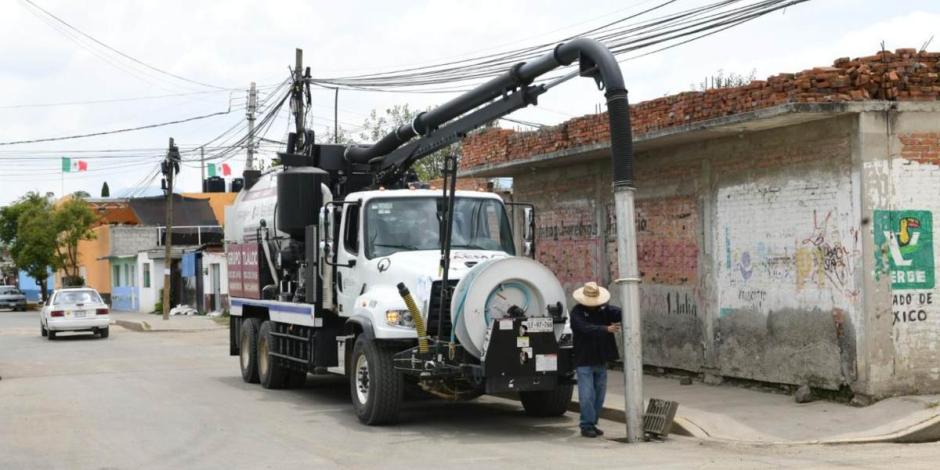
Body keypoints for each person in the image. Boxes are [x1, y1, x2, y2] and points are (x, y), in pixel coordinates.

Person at [570, 281, 621, 438]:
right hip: (584, 360)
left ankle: (592, 422)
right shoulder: (577, 313)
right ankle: (586, 425)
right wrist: (605, 329)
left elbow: (619, 313)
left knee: (599, 395)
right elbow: (584, 329)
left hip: (600, 359)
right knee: (587, 395)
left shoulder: (604, 310)